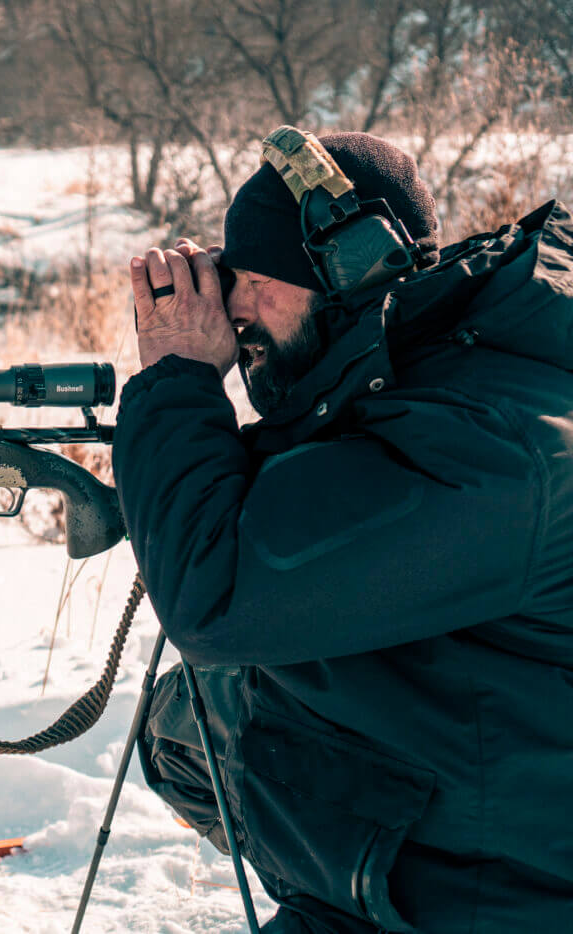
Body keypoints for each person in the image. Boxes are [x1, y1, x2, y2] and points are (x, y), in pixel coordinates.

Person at [111, 129, 573, 932]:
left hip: (495, 893)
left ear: (357, 268)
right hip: (450, 794)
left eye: (257, 283)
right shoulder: (439, 362)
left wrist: (179, 380)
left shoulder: (493, 452)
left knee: (216, 695)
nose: (236, 308)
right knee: (183, 726)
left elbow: (214, 598)